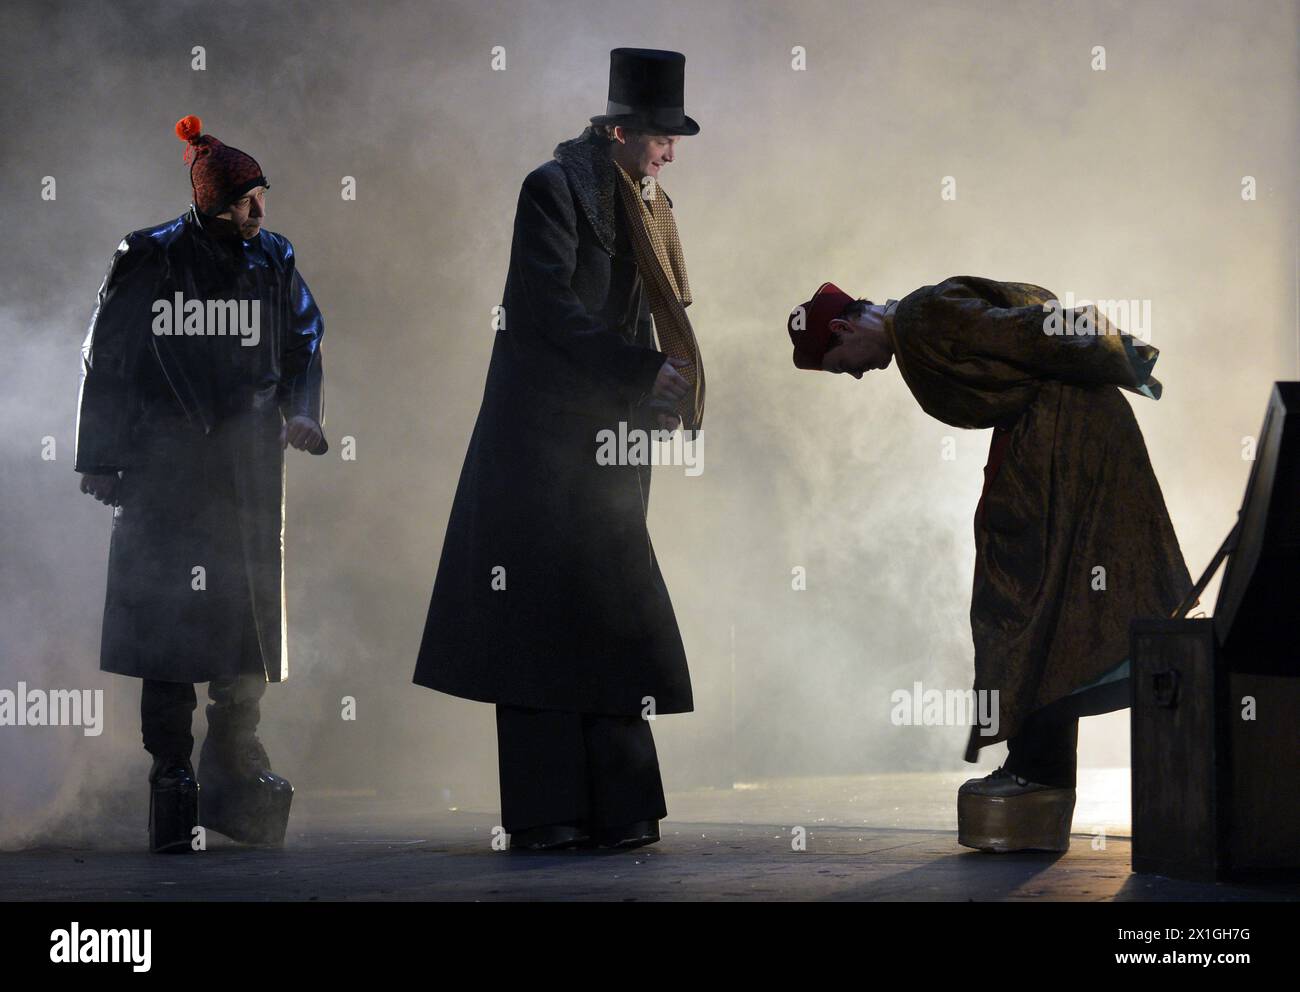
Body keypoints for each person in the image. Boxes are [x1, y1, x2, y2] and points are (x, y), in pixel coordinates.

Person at [413, 48, 704, 851]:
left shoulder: (648, 204)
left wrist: (659, 391)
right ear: (618, 129)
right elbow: (548, 315)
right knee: (537, 620)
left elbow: (647, 316)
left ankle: (621, 807)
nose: (671, 151)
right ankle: (547, 814)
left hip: (607, 441)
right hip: (539, 442)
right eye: (659, 135)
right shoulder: (552, 190)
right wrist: (647, 373)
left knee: (611, 613)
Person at [788, 276, 1192, 852]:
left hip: (1065, 441)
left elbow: (1033, 324)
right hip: (1057, 439)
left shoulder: (925, 316)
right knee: (1055, 602)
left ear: (844, 328)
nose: (856, 373)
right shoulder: (921, 325)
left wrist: (1114, 351)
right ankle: (1038, 768)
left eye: (841, 363)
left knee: (1022, 598)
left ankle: (1038, 769)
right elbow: (1028, 304)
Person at [76, 115, 328, 852]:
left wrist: (302, 413)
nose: (261, 212)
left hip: (248, 467)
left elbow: (306, 341)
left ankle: (235, 760)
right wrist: (101, 455)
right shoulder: (148, 256)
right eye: (249, 200)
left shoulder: (273, 258)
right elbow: (108, 359)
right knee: (167, 626)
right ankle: (172, 773)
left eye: (261, 197)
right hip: (165, 466)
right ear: (216, 201)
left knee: (244, 618)